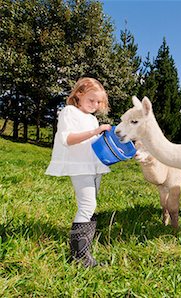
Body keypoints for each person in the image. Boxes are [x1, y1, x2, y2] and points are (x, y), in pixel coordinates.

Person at [45, 77, 112, 267]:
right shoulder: (69, 112)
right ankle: (79, 257)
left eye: (99, 102)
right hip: (80, 165)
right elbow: (68, 139)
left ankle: (83, 250)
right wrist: (95, 131)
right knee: (88, 205)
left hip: (93, 165)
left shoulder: (92, 118)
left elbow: (94, 144)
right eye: (92, 100)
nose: (96, 105)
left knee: (91, 205)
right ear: (79, 94)